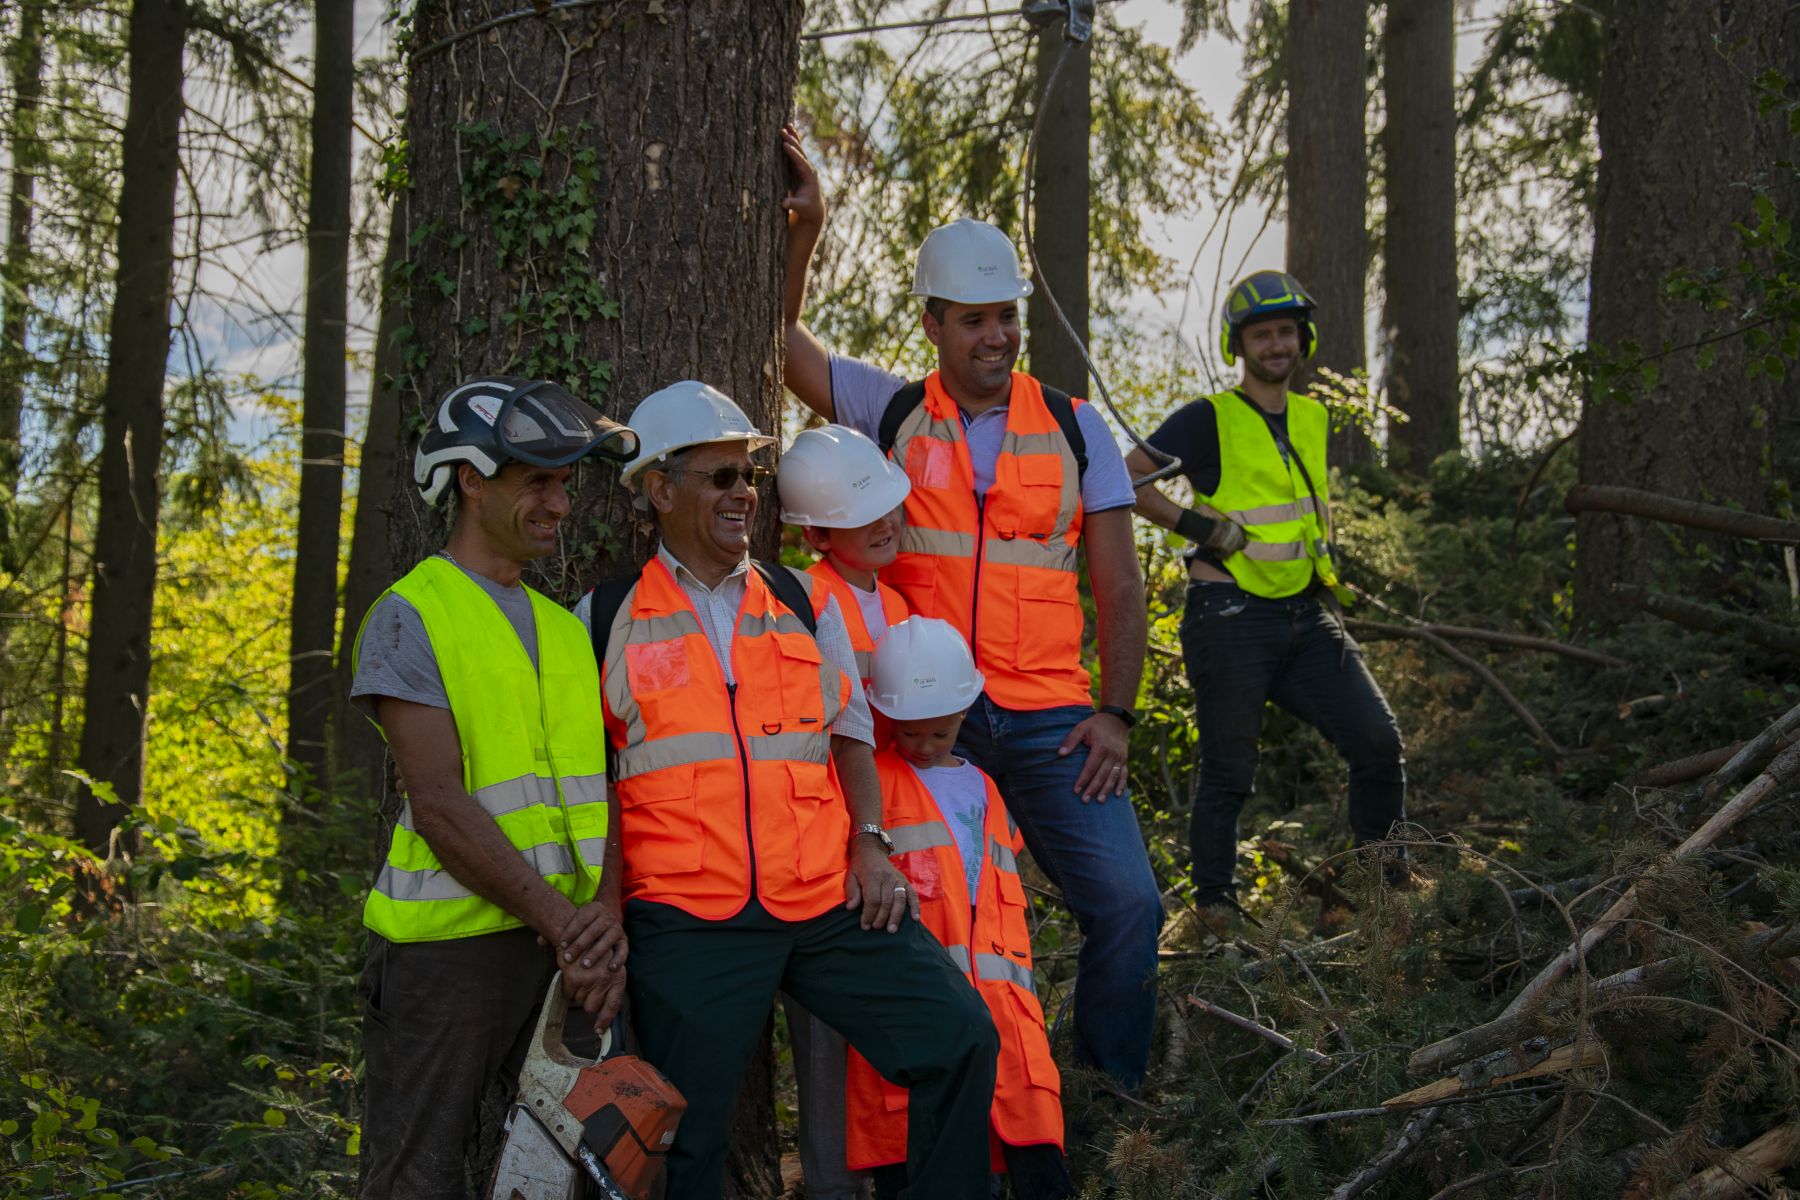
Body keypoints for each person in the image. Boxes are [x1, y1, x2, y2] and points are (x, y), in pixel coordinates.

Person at [780, 126, 1165, 1091]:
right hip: (917, 716)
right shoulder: (893, 410)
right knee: (910, 912)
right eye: (974, 321)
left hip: (1049, 721)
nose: (996, 337)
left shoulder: (1080, 429)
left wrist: (1115, 713)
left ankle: (1107, 1096)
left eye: (1007, 318)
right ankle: (915, 1124)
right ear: (933, 323)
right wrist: (807, 231)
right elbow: (780, 344)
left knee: (1128, 904)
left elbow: (1122, 586)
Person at [575, 380, 998, 1200]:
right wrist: (610, 912)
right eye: (721, 477)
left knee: (961, 1038)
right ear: (660, 489)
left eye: (749, 477)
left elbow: (848, 737)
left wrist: (869, 844)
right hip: (690, 919)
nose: (744, 495)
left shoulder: (801, 603)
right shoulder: (603, 617)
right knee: (682, 1146)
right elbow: (594, 787)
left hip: (823, 901)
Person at [350, 375, 639, 1199]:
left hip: (569, 957)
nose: (560, 503)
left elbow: (603, 791)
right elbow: (438, 805)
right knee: (419, 1176)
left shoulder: (565, 627)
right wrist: (568, 929)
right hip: (448, 958)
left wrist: (605, 925)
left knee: (571, 1181)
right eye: (537, 481)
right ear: (471, 480)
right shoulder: (412, 614)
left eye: (564, 483)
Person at [1125, 270, 1407, 926]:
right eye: (1261, 335)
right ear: (1239, 345)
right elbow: (1127, 478)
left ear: (1301, 338)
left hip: (1305, 615)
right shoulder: (1207, 419)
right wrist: (1198, 527)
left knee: (1376, 739)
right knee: (1229, 766)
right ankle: (1215, 909)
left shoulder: (1311, 417)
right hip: (1228, 616)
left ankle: (1388, 884)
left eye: (1285, 332)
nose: (1276, 345)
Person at [849, 617, 1073, 1200]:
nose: (923, 746)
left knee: (1036, 1157)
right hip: (920, 1010)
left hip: (1009, 1013)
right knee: (923, 1161)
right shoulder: (871, 785)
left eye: (939, 735)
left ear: (964, 716)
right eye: (911, 733)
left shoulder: (987, 791)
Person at [773, 420, 914, 1200]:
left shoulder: (895, 600)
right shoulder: (806, 599)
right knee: (827, 1046)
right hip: (827, 850)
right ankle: (831, 1187)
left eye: (889, 507)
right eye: (865, 516)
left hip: (894, 837)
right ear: (820, 530)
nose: (886, 523)